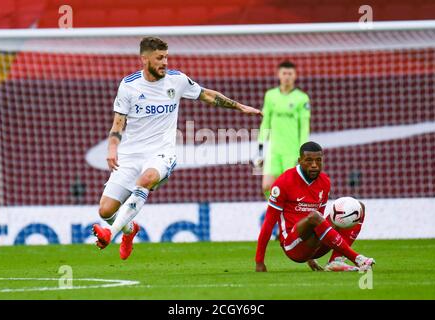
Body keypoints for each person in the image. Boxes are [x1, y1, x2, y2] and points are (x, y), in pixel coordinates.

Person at [93, 37, 262, 260]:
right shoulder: (129, 86)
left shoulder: (177, 80)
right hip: (130, 155)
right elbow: (118, 123)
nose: (165, 62)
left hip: (161, 153)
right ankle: (129, 229)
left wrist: (240, 107)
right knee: (105, 211)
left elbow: (207, 95)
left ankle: (110, 234)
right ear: (144, 59)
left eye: (166, 57)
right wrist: (112, 149)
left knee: (146, 179)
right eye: (159, 58)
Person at [255, 141, 375, 272]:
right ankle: (357, 258)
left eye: (318, 160)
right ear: (300, 161)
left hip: (315, 246)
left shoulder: (325, 182)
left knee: (357, 208)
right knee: (314, 216)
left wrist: (310, 258)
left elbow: (321, 220)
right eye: (309, 160)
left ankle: (336, 261)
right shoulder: (283, 182)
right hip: (292, 246)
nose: (314, 165)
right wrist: (259, 261)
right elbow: (268, 223)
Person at [253, 61, 310, 198]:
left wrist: (302, 152)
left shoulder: (302, 98)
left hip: (292, 151)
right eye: (284, 73)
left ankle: (288, 216)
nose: (287, 77)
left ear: (295, 76)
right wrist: (260, 149)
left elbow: (304, 128)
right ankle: (277, 212)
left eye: (290, 74)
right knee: (267, 186)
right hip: (274, 151)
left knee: (291, 189)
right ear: (279, 75)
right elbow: (265, 123)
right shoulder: (270, 95)